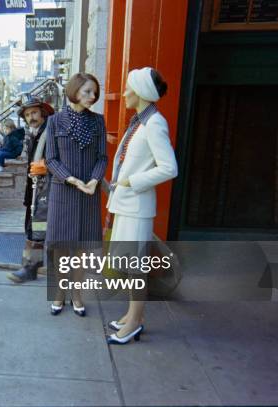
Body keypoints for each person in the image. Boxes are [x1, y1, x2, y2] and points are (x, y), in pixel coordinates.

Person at [105, 67, 178, 344]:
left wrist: (132, 182)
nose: (124, 93)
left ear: (141, 93)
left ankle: (134, 322)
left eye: (128, 89)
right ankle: (133, 315)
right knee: (128, 263)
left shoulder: (154, 123)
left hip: (137, 206)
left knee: (136, 267)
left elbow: (169, 168)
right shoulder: (139, 122)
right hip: (127, 205)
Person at [44, 73, 108, 317]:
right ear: (73, 90)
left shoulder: (98, 121)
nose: (93, 97)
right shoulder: (55, 122)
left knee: (82, 249)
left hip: (89, 194)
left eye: (94, 92)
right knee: (61, 248)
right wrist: (70, 179)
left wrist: (93, 181)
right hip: (63, 192)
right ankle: (60, 293)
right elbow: (51, 159)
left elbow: (102, 157)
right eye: (87, 92)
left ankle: (77, 294)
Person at [7, 96, 54, 283]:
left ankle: (30, 268)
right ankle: (31, 265)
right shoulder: (32, 132)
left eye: (34, 112)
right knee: (32, 227)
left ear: (42, 112)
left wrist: (47, 165)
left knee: (38, 228)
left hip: (46, 190)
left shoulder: (51, 131)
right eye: (27, 114)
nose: (31, 117)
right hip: (34, 189)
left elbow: (63, 158)